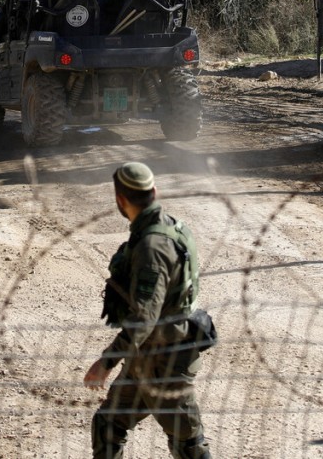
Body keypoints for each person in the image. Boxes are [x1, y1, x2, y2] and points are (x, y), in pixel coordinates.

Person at [85, 162, 213, 459]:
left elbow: (145, 317)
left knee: (188, 443)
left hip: (166, 362)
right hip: (148, 354)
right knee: (108, 424)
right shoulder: (169, 226)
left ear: (120, 200)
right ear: (154, 192)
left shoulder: (152, 247)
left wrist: (106, 362)